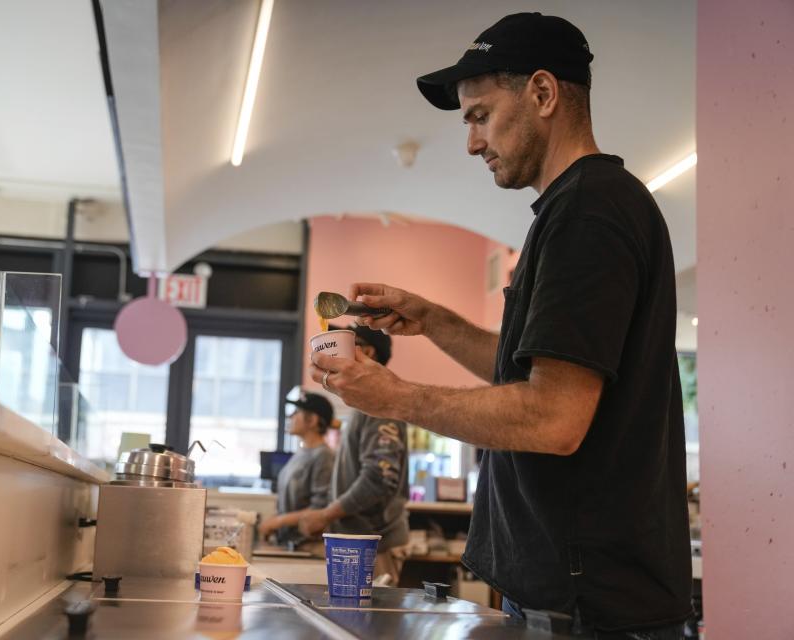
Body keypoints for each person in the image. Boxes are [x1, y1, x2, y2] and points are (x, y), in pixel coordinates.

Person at [308, 12, 691, 638]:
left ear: (542, 93)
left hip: (592, 608)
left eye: (480, 115)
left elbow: (553, 417)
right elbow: (531, 373)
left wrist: (396, 396)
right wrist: (432, 321)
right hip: (568, 597)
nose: (471, 142)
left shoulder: (591, 212)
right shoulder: (572, 210)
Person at [300, 325, 410, 584]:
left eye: (348, 344)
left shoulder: (380, 403)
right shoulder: (365, 404)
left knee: (374, 624)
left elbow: (378, 478)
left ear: (368, 351)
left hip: (375, 545)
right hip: (363, 543)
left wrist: (326, 515)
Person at [257, 391, 335, 548]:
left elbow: (320, 508)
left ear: (312, 420)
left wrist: (278, 522)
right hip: (290, 544)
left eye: (297, 412)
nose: (290, 417)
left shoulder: (324, 456)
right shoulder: (301, 453)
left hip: (308, 547)